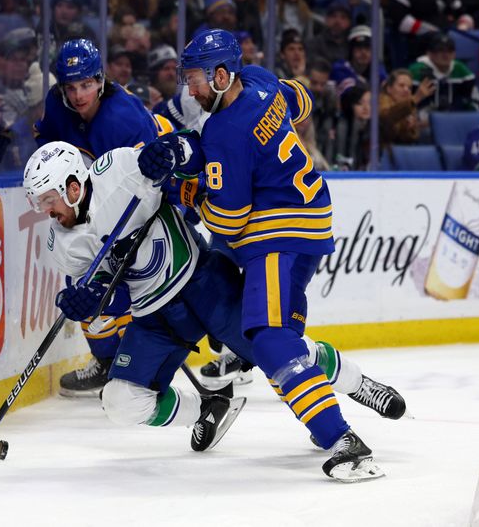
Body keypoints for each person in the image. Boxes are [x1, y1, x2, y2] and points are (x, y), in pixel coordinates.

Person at [24, 140, 406, 462]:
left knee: (280, 353)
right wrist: (91, 302)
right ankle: (207, 407)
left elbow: (186, 152)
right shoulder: (62, 244)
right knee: (121, 400)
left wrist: (172, 151)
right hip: (154, 316)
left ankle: (356, 382)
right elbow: (110, 293)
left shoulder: (120, 169)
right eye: (39, 203)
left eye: (48, 199)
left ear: (74, 185)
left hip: (204, 283)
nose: (46, 211)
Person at [138, 28, 385, 480]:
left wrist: (190, 189)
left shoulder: (224, 131)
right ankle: (340, 390)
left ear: (219, 74)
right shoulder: (259, 79)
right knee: (278, 341)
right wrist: (200, 156)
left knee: (268, 339)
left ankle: (343, 441)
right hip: (313, 219)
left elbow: (229, 224)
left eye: (194, 79)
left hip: (278, 234)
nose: (189, 90)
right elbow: (302, 100)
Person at [34, 38, 158, 397]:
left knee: (134, 282)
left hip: (143, 201)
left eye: (86, 85)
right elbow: (48, 147)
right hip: (91, 204)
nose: (77, 95)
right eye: (70, 86)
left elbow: (154, 180)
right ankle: (105, 363)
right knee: (83, 279)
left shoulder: (125, 119)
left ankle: (143, 359)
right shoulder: (58, 105)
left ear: (101, 80)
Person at [408, 32, 479, 119]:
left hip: (455, 118)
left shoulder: (461, 71)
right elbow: (406, 102)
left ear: (454, 54)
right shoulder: (418, 71)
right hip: (423, 119)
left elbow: (472, 100)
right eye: (440, 50)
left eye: (449, 50)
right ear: (429, 53)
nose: (445, 55)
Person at [379, 68, 435, 149]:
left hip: (403, 151)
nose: (406, 90)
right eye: (401, 85)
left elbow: (411, 138)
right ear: (389, 89)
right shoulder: (381, 101)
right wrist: (416, 98)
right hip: (382, 153)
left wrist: (410, 128)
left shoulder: (409, 105)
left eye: (409, 88)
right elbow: (386, 118)